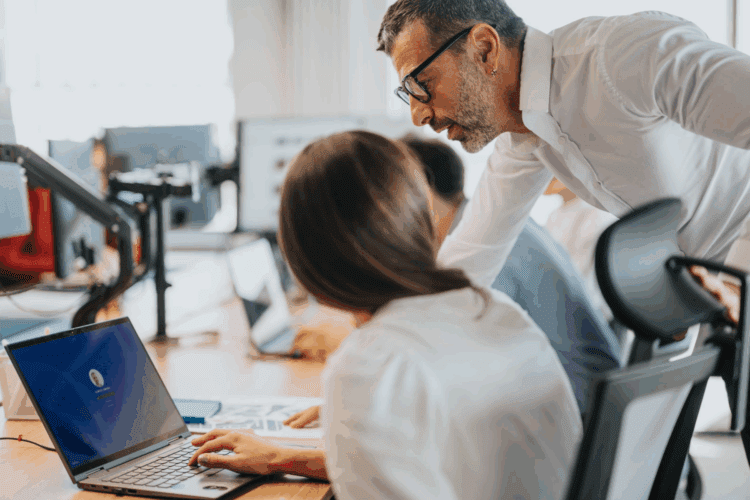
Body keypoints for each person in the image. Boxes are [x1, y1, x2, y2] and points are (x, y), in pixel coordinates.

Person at [189, 131, 582, 500]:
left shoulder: (369, 364)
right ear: (422, 220)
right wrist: (294, 454)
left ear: (304, 256)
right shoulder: (491, 308)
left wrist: (356, 411)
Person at [377, 1, 750, 303]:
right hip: (719, 289)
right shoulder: (525, 138)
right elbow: (471, 260)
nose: (418, 113)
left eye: (421, 84)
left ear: (484, 49)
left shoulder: (623, 55)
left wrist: (738, 280)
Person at [288, 136, 620, 420]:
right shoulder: (485, 229)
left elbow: (452, 385)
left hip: (575, 428)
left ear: (424, 194)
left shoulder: (487, 254)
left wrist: (358, 361)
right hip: (572, 416)